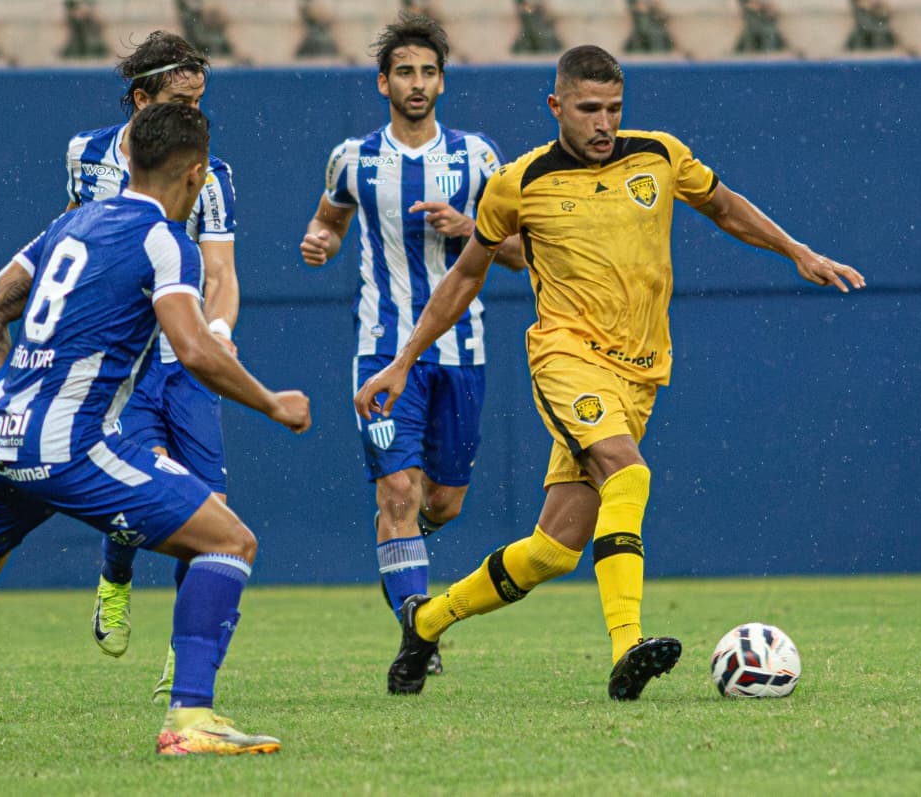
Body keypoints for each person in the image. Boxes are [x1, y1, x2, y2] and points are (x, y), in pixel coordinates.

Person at [0, 102, 311, 761]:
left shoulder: (71, 224)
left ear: (127, 160)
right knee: (229, 541)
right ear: (196, 175)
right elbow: (194, 348)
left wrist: (15, 403)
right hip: (68, 441)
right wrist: (274, 403)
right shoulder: (166, 241)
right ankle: (190, 716)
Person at [354, 44, 865, 699]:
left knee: (554, 548)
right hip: (566, 356)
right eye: (589, 109)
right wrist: (403, 361)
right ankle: (628, 645)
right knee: (628, 470)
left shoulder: (658, 154)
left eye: (613, 109)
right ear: (556, 106)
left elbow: (725, 204)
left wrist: (797, 249)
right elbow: (466, 274)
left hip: (641, 372)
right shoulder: (519, 182)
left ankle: (424, 621)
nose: (603, 123)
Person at [300, 14, 523, 677]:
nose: (417, 83)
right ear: (383, 83)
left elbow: (519, 252)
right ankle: (415, 628)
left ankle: (400, 555)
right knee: (397, 492)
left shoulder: (480, 158)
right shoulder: (353, 158)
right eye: (405, 72)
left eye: (428, 72)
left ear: (442, 83)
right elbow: (329, 216)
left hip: (463, 350)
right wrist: (320, 241)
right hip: (382, 350)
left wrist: (471, 228)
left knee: (442, 503)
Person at [66, 32, 240, 700]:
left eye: (202, 104)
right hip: (123, 365)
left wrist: (217, 330)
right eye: (181, 102)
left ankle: (186, 654)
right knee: (140, 497)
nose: (196, 118)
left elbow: (222, 271)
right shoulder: (86, 155)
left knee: (213, 512)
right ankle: (116, 574)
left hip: (190, 361)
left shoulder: (211, 173)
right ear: (142, 100)